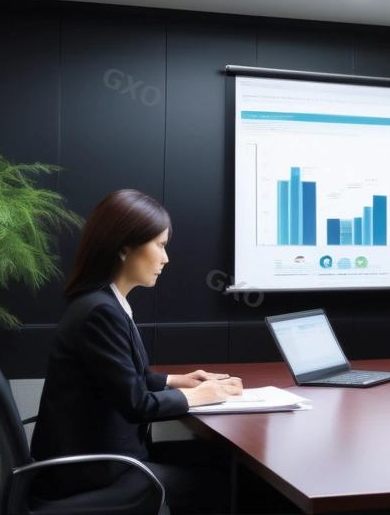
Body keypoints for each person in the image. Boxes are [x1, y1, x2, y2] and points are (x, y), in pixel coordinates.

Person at [31, 190, 241, 514]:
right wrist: (204, 395)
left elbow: (131, 379)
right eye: (160, 244)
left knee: (219, 460)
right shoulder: (100, 312)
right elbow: (136, 404)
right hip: (93, 470)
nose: (166, 258)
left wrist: (178, 380)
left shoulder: (103, 303)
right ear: (124, 248)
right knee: (221, 481)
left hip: (97, 455)